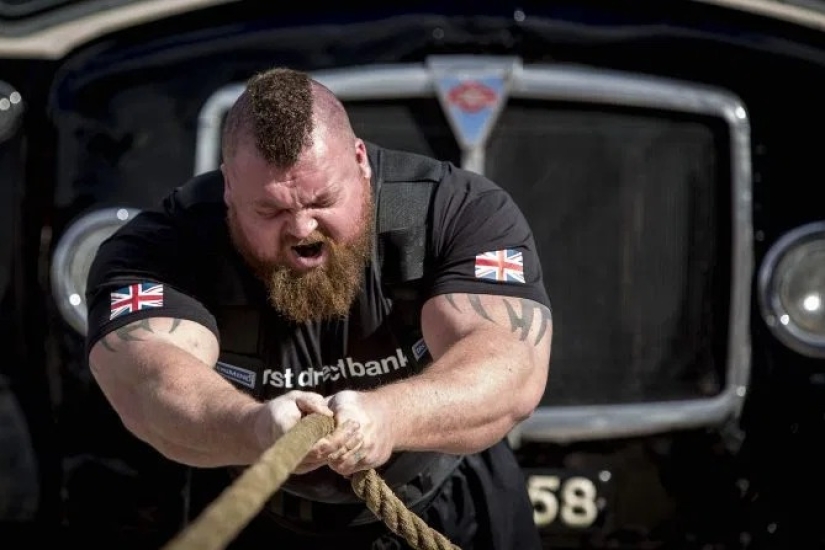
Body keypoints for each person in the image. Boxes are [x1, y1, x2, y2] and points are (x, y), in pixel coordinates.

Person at [84, 66, 553, 550]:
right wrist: (256, 427)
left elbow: (511, 363)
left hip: (448, 500)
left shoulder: (458, 212)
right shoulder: (160, 250)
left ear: (360, 160)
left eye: (322, 201)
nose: (303, 230)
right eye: (271, 211)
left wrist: (388, 416)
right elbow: (150, 384)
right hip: (253, 510)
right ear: (228, 187)